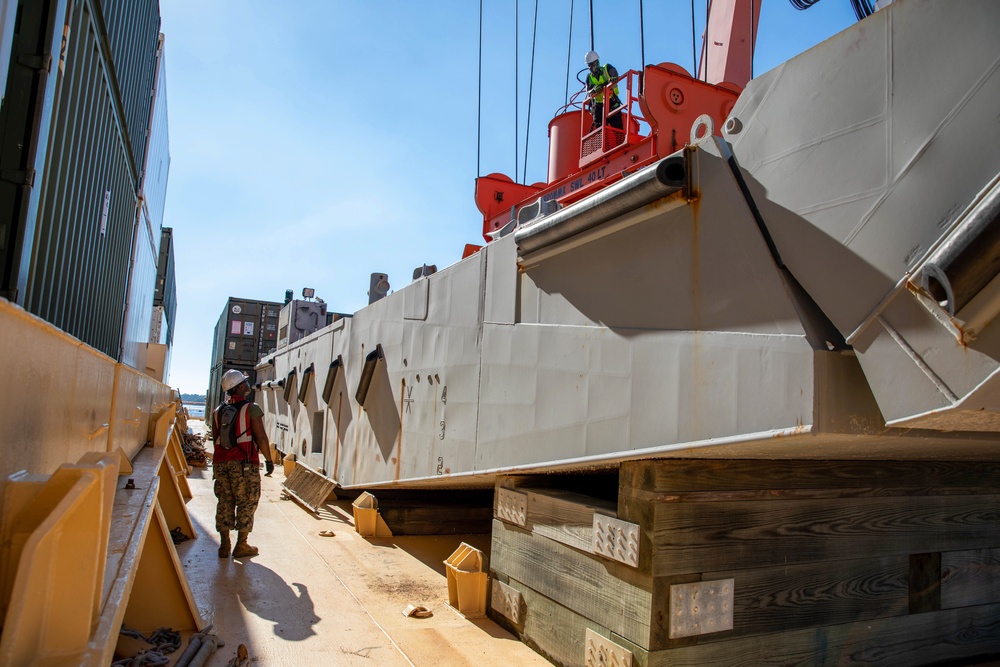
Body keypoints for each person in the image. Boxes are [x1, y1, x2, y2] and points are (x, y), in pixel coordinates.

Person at [212, 369, 274, 558]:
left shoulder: (217, 411)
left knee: (225, 501)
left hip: (221, 464)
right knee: (247, 501)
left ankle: (224, 545)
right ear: (239, 387)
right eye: (245, 382)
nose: (248, 384)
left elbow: (216, 439)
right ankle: (241, 545)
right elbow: (261, 437)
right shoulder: (251, 408)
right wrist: (269, 460)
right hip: (244, 464)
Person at [584, 50, 623, 131]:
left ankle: (620, 141)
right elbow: (588, 92)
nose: (590, 68)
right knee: (599, 128)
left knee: (617, 127)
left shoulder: (607, 68)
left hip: (612, 101)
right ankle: (605, 143)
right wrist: (594, 90)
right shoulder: (589, 77)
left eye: (592, 64)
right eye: (589, 65)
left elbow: (615, 75)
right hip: (599, 105)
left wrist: (613, 79)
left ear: (597, 62)